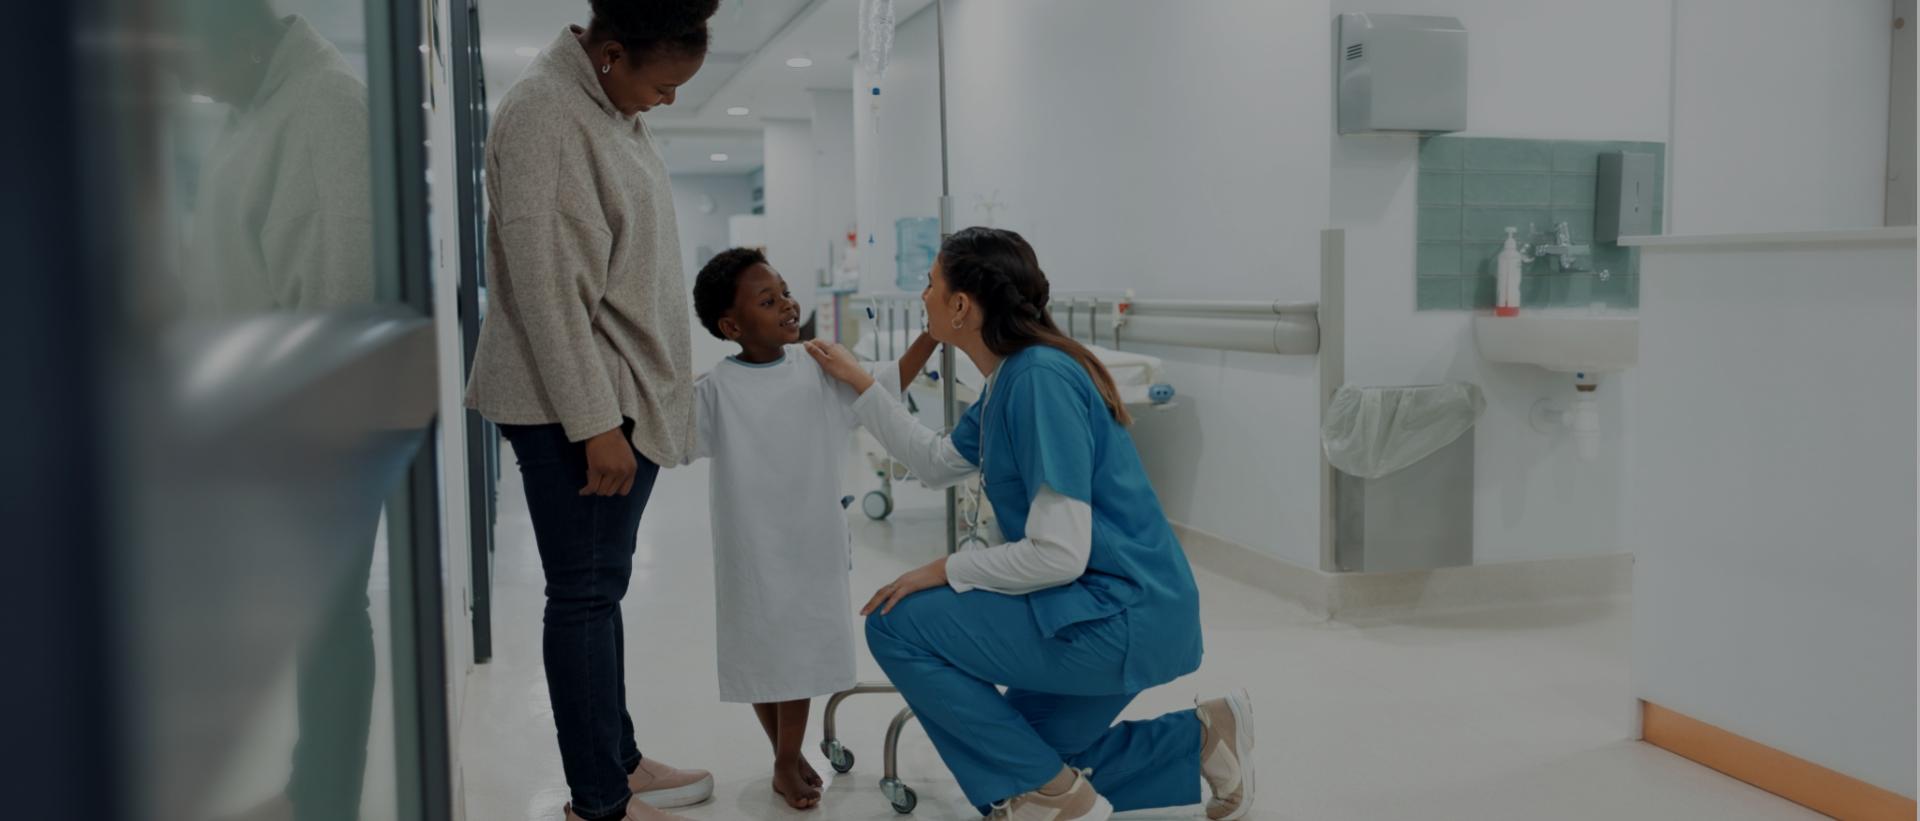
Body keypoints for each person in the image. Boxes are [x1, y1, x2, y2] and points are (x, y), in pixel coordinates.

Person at [804, 227, 1258, 821]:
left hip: (1119, 615)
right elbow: (939, 463)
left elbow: (1058, 553)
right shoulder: (1009, 380)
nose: (923, 296)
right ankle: (1201, 739)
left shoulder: (1039, 380)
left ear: (961, 305)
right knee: (1035, 750)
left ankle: (1052, 800)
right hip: (1111, 608)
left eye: (931, 283)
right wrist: (862, 384)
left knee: (898, 623)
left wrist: (942, 570)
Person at [463, 2, 721, 820]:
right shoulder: (545, 112)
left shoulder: (602, 104)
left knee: (598, 589)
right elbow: (544, 289)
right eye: (664, 83)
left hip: (613, 393)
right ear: (610, 54)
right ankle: (598, 801)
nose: (669, 100)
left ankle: (620, 758)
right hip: (575, 405)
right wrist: (593, 423)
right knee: (581, 594)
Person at [685, 248, 937, 810]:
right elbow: (672, 437)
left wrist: (933, 336)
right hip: (749, 546)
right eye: (767, 300)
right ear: (731, 326)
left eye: (785, 291)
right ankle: (785, 756)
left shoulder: (818, 365)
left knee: (794, 654)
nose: (788, 305)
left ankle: (785, 757)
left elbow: (886, 381)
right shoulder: (716, 390)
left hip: (809, 542)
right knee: (761, 654)